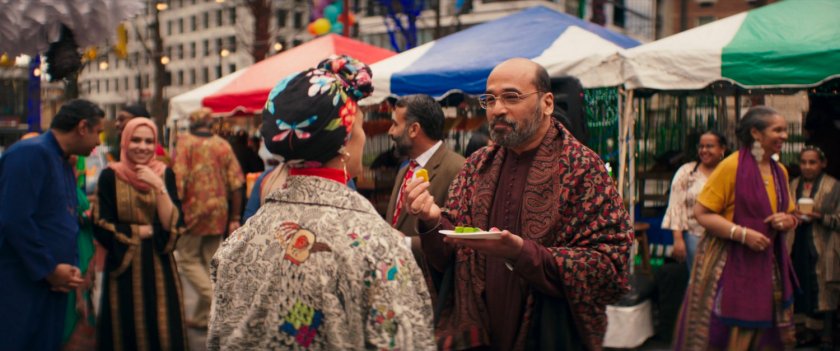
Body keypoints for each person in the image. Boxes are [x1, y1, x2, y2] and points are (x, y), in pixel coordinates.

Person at [404, 58, 633, 350]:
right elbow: (451, 255)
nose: (498, 109)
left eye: (511, 97)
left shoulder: (582, 167)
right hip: (482, 335)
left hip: (549, 334)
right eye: (489, 99)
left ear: (547, 103)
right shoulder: (477, 166)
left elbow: (610, 267)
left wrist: (523, 254)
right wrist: (432, 220)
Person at [209, 55, 435, 350]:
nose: (364, 138)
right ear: (345, 141)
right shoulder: (376, 246)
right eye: (361, 128)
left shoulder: (238, 243)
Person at [677, 106, 799, 350]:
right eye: (778, 130)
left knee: (764, 328)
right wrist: (741, 234)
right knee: (726, 330)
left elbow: (791, 212)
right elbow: (702, 213)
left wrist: (787, 220)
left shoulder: (780, 171)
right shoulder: (730, 167)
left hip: (766, 259)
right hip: (728, 259)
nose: (784, 136)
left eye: (785, 130)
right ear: (756, 133)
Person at [0, 99, 104, 350]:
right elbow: (15, 220)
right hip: (24, 283)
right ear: (82, 127)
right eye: (97, 132)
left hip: (52, 285)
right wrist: (48, 268)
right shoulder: (30, 154)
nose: (99, 141)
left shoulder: (61, 159)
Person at [91, 118, 188, 350]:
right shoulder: (109, 176)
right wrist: (139, 231)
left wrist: (159, 186)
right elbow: (101, 223)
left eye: (148, 141)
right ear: (125, 142)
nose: (142, 146)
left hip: (160, 265)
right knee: (124, 329)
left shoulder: (164, 174)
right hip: (124, 267)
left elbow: (173, 224)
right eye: (135, 140)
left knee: (162, 328)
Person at [172, 107, 245, 329]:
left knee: (187, 259)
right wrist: (234, 216)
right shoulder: (222, 145)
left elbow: (179, 178)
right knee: (209, 261)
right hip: (219, 212)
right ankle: (203, 318)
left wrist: (176, 211)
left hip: (193, 211)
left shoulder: (185, 142)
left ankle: (217, 302)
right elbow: (237, 182)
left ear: (192, 123)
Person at [385, 94, 465, 263]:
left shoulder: (459, 169)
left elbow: (459, 239)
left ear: (413, 129)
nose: (390, 131)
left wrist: (404, 243)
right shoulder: (405, 169)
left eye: (395, 124)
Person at [788, 146, 839, 349]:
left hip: (824, 245)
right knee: (801, 286)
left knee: (825, 289)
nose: (807, 167)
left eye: (813, 162)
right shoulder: (792, 185)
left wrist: (819, 216)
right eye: (803, 162)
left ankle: (826, 334)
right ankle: (805, 332)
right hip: (797, 243)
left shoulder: (834, 187)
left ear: (823, 164)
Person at [662, 131, 728, 269]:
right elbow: (676, 206)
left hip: (725, 236)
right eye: (701, 146)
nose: (704, 150)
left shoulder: (729, 172)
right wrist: (678, 239)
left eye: (709, 146)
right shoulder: (687, 172)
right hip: (694, 236)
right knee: (698, 280)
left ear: (722, 149)